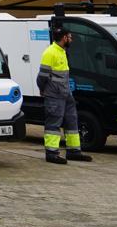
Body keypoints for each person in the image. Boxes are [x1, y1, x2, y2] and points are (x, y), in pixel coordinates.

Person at [38, 26, 92, 165]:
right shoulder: (50, 52)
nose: (72, 39)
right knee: (54, 123)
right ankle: (52, 153)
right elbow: (42, 77)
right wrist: (43, 90)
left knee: (72, 121)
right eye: (70, 37)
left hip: (66, 94)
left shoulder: (62, 51)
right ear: (64, 38)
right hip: (55, 95)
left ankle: (74, 151)